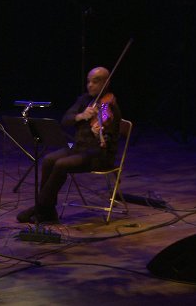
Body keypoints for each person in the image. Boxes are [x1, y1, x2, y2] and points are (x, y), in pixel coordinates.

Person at [16, 66, 122, 223]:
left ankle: (40, 208)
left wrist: (99, 132)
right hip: (79, 149)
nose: (90, 85)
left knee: (60, 164)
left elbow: (109, 134)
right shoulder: (85, 100)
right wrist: (81, 116)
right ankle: (48, 212)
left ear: (106, 83)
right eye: (89, 81)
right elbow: (65, 120)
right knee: (48, 160)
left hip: (99, 155)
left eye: (96, 82)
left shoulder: (110, 107)